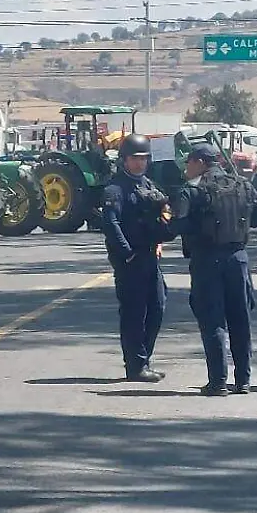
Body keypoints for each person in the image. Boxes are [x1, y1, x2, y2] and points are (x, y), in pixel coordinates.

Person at [168, 142, 257, 396]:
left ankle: (218, 381)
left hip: (207, 260)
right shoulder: (242, 184)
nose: (186, 168)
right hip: (238, 258)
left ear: (200, 163)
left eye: (189, 162)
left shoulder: (191, 189)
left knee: (212, 320)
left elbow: (177, 226)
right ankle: (243, 380)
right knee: (240, 319)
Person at [101, 133, 172, 382]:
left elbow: (160, 214)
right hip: (131, 261)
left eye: (143, 158)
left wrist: (160, 240)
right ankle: (135, 366)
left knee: (158, 307)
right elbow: (111, 224)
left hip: (151, 256)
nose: (139, 163)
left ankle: (145, 359)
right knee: (134, 313)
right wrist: (127, 253)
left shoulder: (148, 185)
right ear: (124, 160)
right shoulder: (115, 189)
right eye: (135, 158)